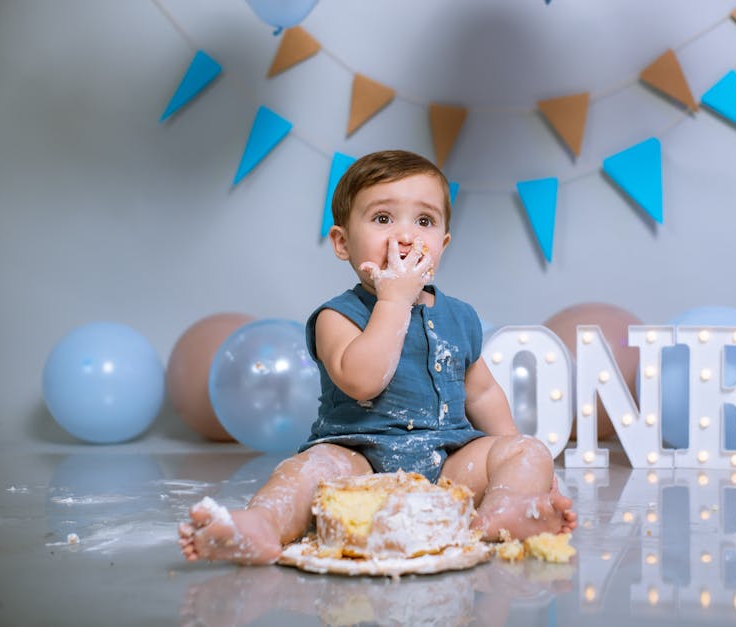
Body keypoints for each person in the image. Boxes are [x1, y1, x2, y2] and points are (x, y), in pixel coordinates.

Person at [179, 149, 576, 565]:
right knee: (306, 471)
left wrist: (513, 459)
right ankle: (261, 524)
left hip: (449, 464)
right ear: (342, 242)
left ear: (441, 244)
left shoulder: (461, 317)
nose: (405, 237)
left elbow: (482, 395)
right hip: (359, 460)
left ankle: (506, 510)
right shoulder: (338, 316)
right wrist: (394, 300)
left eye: (423, 221)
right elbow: (363, 380)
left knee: (528, 451)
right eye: (383, 219)